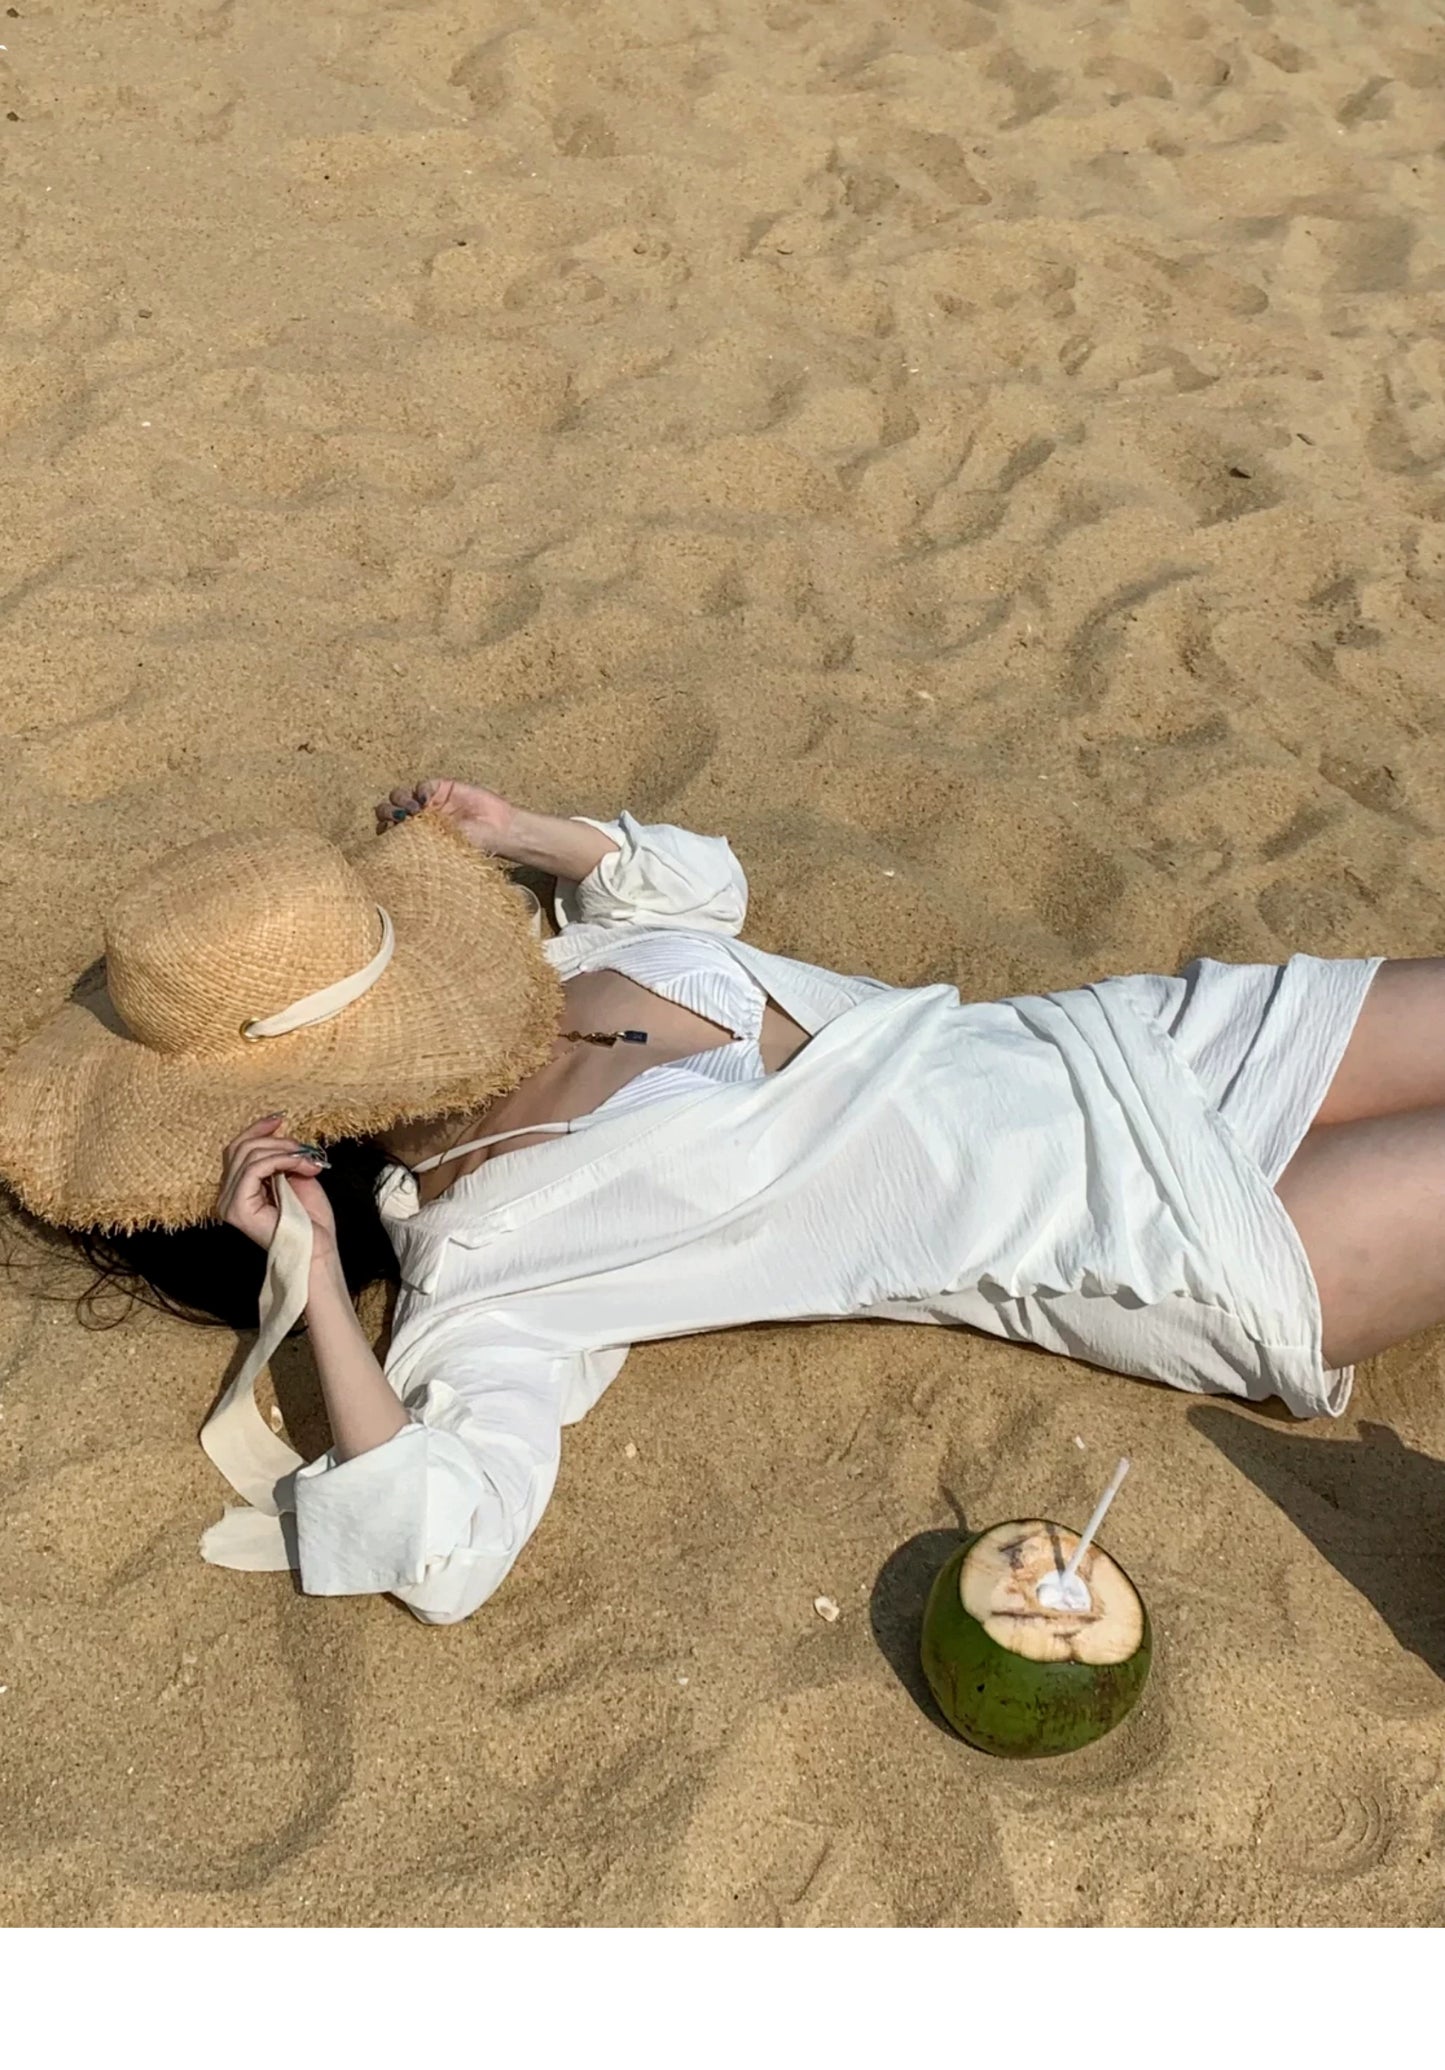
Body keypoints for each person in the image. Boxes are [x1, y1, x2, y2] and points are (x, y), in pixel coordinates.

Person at [0, 778, 1438, 1625]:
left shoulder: (546, 971)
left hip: (1145, 1039)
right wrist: (315, 1285)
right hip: (1151, 1234)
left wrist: (522, 827)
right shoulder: (488, 1261)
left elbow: (697, 888)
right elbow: (444, 1535)